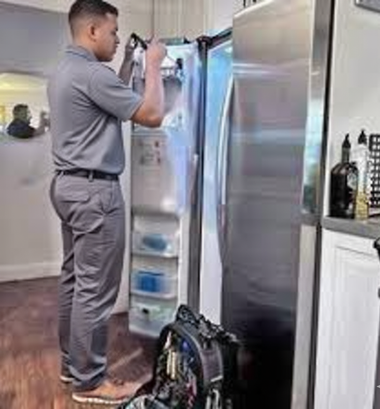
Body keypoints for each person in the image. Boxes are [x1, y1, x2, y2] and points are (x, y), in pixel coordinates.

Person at [47, 0, 166, 405]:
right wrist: (153, 63)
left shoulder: (68, 71)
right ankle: (89, 382)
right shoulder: (91, 74)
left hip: (68, 187)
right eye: (114, 33)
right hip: (96, 193)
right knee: (95, 291)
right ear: (93, 30)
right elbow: (151, 113)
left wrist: (130, 60)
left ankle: (72, 365)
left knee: (77, 282)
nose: (117, 39)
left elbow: (109, 99)